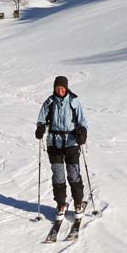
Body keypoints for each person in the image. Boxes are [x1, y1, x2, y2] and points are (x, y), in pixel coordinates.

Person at [35, 76, 89, 220]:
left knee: (73, 173)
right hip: (54, 143)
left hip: (71, 142)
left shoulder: (73, 101)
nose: (60, 90)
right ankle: (60, 204)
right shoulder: (50, 102)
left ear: (66, 88)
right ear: (54, 88)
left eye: (62, 88)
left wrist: (82, 132)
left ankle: (78, 203)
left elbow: (82, 121)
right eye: (57, 88)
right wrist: (40, 128)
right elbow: (41, 119)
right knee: (58, 175)